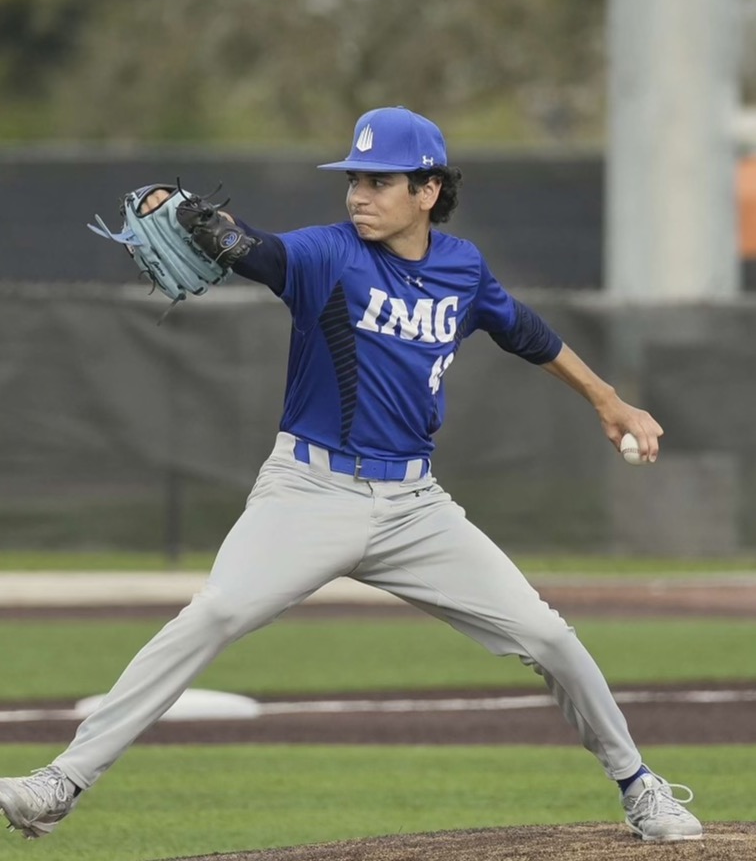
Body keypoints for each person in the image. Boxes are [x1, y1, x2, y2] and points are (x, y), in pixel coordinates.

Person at [0, 106, 702, 844]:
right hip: (308, 493)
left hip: (415, 507)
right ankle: (60, 783)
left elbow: (526, 331)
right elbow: (262, 253)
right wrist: (223, 233)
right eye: (354, 179)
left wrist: (608, 400)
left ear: (428, 191)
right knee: (213, 615)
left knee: (549, 637)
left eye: (379, 181)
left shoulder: (462, 269)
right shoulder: (328, 254)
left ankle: (640, 786)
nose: (359, 194)